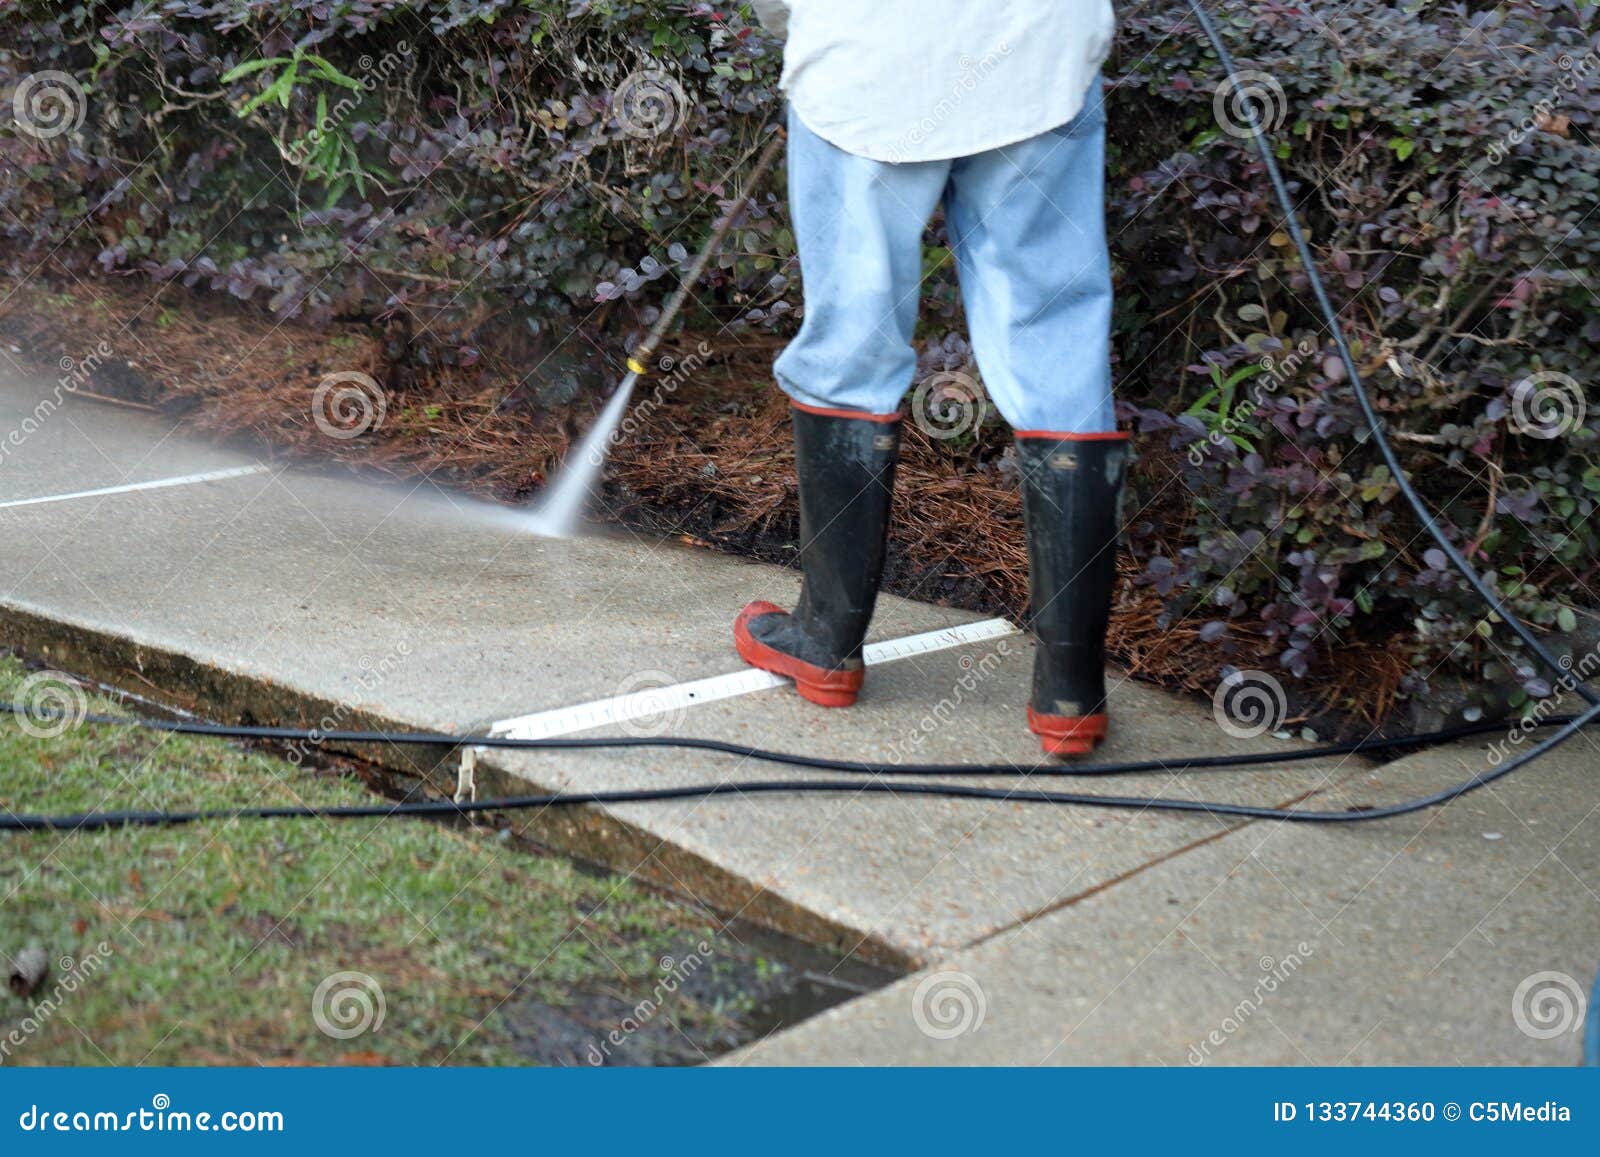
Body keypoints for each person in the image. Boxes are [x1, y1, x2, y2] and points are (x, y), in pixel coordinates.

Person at [732, 1, 1126, 757]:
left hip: (870, 60)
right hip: (1037, 54)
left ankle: (826, 641)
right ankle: (1070, 693)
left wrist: (796, 28)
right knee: (1056, 344)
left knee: (854, 339)